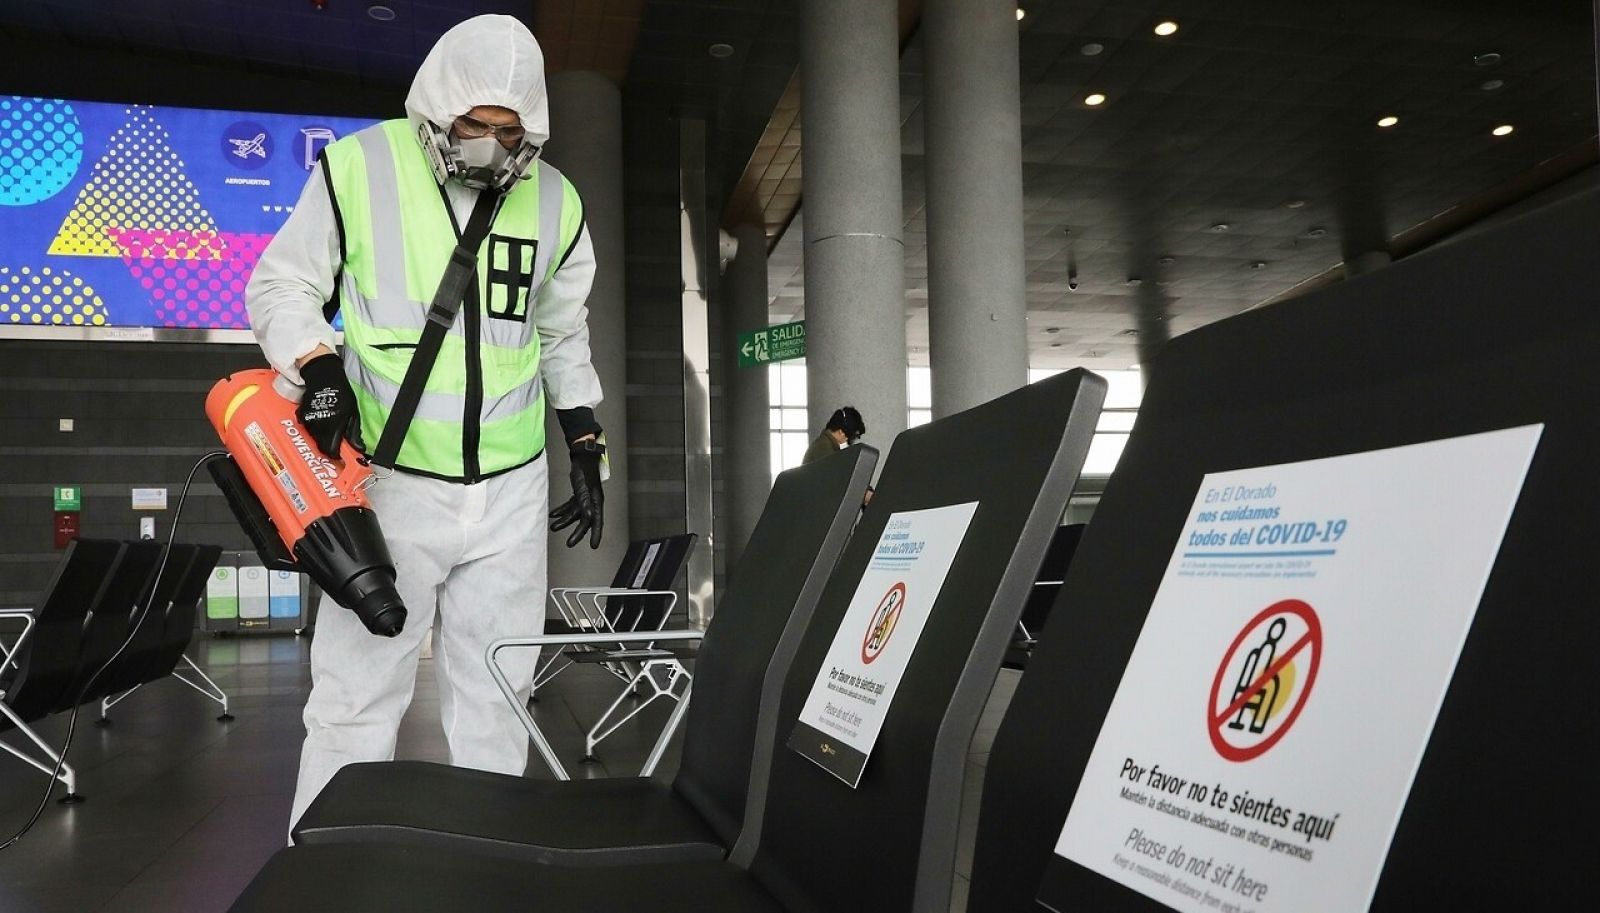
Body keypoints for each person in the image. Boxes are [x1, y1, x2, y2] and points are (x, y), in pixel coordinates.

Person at [246, 15, 606, 831]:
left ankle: (485, 864)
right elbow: (281, 286)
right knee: (357, 695)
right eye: (473, 127)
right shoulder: (360, 167)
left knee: (500, 694)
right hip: (387, 481)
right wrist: (319, 364)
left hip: (511, 489)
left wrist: (582, 431)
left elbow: (562, 327)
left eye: (507, 130)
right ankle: (325, 863)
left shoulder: (556, 200)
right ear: (437, 109)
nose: (488, 144)